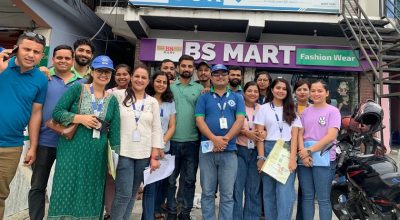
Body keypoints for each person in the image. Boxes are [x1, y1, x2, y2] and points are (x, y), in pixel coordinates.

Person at [47, 55, 120, 219]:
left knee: (91, 187)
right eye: (100, 70)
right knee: (66, 184)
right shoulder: (78, 89)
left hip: (97, 153)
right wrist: (80, 118)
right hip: (71, 149)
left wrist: (115, 160)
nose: (104, 74)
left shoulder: (112, 100)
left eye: (108, 71)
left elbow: (115, 132)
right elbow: (57, 112)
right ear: (92, 71)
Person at [28, 45, 85, 220]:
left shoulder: (82, 83)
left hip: (70, 143)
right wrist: (33, 145)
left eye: (67, 58)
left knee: (65, 186)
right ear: (53, 59)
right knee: (38, 186)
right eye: (59, 57)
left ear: (73, 60)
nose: (63, 61)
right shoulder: (44, 77)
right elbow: (35, 112)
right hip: (44, 141)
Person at [0, 32, 48, 219]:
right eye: (27, 49)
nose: (31, 55)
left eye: (36, 52)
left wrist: (33, 147)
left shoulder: (41, 79)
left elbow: (36, 114)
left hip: (11, 146)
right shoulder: (2, 66)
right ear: (16, 48)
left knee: (1, 195)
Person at [110, 64, 163, 220]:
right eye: (137, 76)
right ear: (131, 78)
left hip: (144, 154)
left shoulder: (152, 102)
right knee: (123, 194)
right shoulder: (117, 95)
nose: (140, 80)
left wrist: (154, 157)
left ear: (148, 82)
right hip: (124, 152)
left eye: (143, 77)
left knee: (132, 195)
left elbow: (156, 129)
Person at [195, 64, 245, 220]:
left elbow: (240, 120)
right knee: (208, 192)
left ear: (228, 76)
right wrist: (214, 139)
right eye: (216, 74)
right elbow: (199, 120)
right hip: (207, 150)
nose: (220, 77)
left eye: (224, 74)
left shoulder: (237, 97)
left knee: (227, 194)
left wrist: (225, 139)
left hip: (229, 151)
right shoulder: (203, 97)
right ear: (211, 76)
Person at [254, 78, 302, 220]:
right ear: (272, 89)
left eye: (284, 89)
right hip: (268, 149)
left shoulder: (292, 109)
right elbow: (259, 135)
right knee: (268, 192)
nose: (281, 91)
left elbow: (294, 135)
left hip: (286, 149)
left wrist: (293, 158)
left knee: (284, 193)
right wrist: (261, 158)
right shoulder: (263, 108)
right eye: (278, 88)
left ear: (287, 92)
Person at [297, 80, 341, 220]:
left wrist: (309, 151)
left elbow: (331, 136)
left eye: (320, 91)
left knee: (323, 199)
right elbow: (300, 134)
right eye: (313, 91)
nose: (316, 94)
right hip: (305, 159)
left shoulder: (333, 111)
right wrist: (303, 154)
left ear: (327, 93)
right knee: (307, 197)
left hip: (325, 158)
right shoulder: (305, 112)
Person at [166, 55, 203, 220]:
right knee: (170, 181)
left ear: (193, 69)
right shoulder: (170, 87)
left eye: (190, 66)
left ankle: (185, 213)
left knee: (189, 181)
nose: (186, 69)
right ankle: (172, 212)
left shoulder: (200, 89)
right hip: (172, 141)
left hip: (192, 142)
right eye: (183, 66)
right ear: (178, 68)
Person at [143, 71, 176, 220]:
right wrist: (155, 146)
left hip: (163, 150)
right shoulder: (146, 99)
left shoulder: (170, 102)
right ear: (152, 82)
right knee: (149, 188)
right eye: (158, 81)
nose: (161, 84)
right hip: (146, 150)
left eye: (164, 82)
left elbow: (172, 127)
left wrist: (161, 144)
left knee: (157, 188)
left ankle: (151, 215)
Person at [103, 63, 132, 219]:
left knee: (123, 180)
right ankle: (109, 212)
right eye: (118, 74)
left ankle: (120, 213)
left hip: (129, 142)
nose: (121, 77)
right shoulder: (108, 93)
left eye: (125, 74)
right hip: (110, 141)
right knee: (110, 177)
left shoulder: (136, 93)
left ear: (130, 76)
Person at [233, 81, 264, 220]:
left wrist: (263, 134)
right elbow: (231, 126)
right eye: (249, 91)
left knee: (253, 189)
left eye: (255, 91)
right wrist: (246, 132)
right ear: (244, 93)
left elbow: (268, 127)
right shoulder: (238, 107)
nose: (253, 94)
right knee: (237, 189)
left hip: (257, 151)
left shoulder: (262, 108)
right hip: (240, 150)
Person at [292, 79, 311, 220]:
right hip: (289, 151)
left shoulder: (315, 108)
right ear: (294, 92)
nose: (302, 92)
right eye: (299, 89)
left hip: (307, 152)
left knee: (305, 191)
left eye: (305, 89)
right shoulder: (288, 108)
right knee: (286, 189)